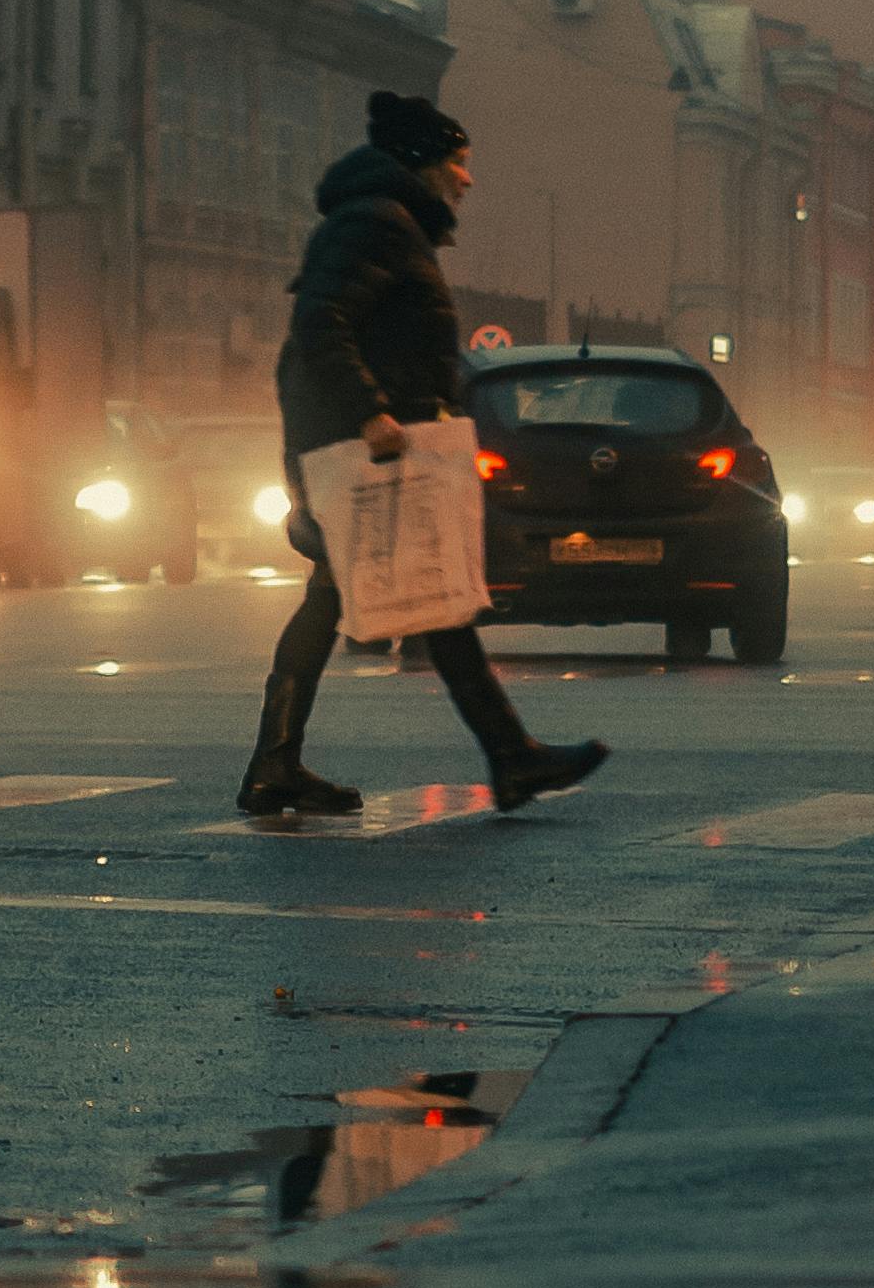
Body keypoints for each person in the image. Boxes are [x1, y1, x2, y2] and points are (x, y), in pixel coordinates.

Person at [237, 94, 607, 823]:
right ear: (420, 163)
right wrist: (369, 409)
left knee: (349, 600)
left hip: (369, 443)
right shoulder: (375, 222)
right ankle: (510, 756)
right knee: (436, 604)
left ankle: (275, 763)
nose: (467, 180)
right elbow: (322, 321)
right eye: (457, 162)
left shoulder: (385, 222)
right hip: (366, 446)